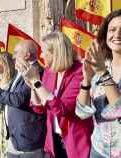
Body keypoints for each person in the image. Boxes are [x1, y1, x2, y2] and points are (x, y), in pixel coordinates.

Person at [20, 31, 93, 158]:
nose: (40, 55)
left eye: (43, 51)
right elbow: (39, 108)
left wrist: (37, 83)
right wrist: (32, 85)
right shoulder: (50, 71)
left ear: (56, 53)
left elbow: (62, 109)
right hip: (54, 142)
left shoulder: (79, 72)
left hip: (74, 142)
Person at [75, 9, 121, 158]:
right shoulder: (101, 67)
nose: (117, 34)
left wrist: (102, 73)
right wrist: (87, 80)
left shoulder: (101, 70)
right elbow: (81, 113)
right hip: (98, 150)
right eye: (112, 29)